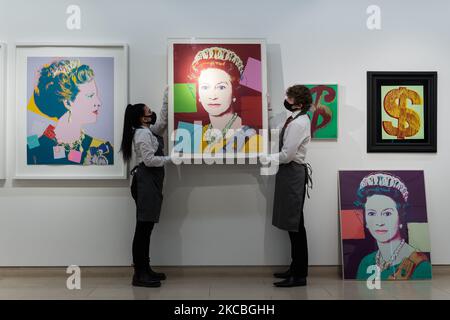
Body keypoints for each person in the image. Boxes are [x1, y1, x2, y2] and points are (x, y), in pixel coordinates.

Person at [120, 89, 173, 288]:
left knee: (147, 228)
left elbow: (162, 123)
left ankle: (146, 268)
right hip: (144, 182)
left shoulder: (148, 131)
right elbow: (150, 161)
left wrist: (167, 99)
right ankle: (139, 274)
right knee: (143, 229)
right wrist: (171, 159)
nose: (152, 114)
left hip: (149, 183)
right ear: (142, 118)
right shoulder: (142, 134)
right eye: (149, 111)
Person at [263, 85, 313, 287]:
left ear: (299, 103)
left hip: (292, 172)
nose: (286, 100)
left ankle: (299, 274)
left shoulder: (298, 123)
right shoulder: (295, 119)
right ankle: (295, 267)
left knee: (295, 225)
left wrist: (266, 157)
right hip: (289, 172)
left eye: (289, 98)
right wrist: (266, 109)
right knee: (293, 223)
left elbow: (287, 155)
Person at [27, 59, 113, 165]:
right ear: (67, 103)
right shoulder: (33, 148)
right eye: (90, 96)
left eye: (96, 96)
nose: (98, 102)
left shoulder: (102, 149)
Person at [354, 172, 432, 280]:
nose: (379, 222)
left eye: (387, 213)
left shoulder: (420, 266)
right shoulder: (366, 262)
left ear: (400, 216)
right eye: (371, 213)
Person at [188, 46, 262, 154]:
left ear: (234, 92)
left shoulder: (251, 138)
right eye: (205, 87)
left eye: (221, 87)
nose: (212, 96)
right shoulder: (195, 135)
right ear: (198, 95)